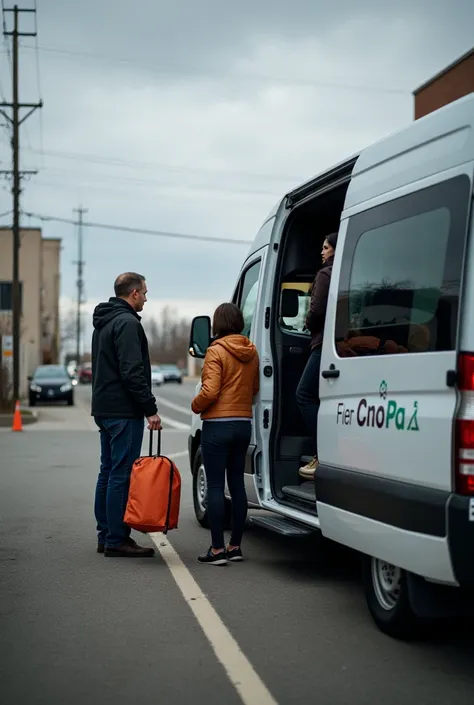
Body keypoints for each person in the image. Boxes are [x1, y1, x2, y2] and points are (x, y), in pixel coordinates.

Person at [91, 272, 162, 558]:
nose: (146, 297)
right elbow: (132, 372)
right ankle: (117, 539)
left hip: (104, 408)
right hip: (123, 410)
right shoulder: (128, 323)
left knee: (107, 471)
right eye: (144, 292)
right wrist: (150, 409)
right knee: (120, 474)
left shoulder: (104, 322)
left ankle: (105, 534)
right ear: (133, 293)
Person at [191, 303, 259, 566]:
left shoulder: (215, 351)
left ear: (217, 324)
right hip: (243, 424)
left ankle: (217, 550)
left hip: (218, 425)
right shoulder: (251, 351)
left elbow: (209, 392)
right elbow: (253, 388)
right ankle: (235, 546)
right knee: (238, 485)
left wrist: (195, 405)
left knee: (217, 486)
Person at [297, 232, 338, 480]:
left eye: (325, 247)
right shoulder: (347, 270)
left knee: (303, 394)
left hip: (323, 343)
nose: (322, 252)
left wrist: (308, 322)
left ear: (334, 248)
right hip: (340, 341)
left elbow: (317, 310)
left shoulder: (325, 274)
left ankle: (322, 452)